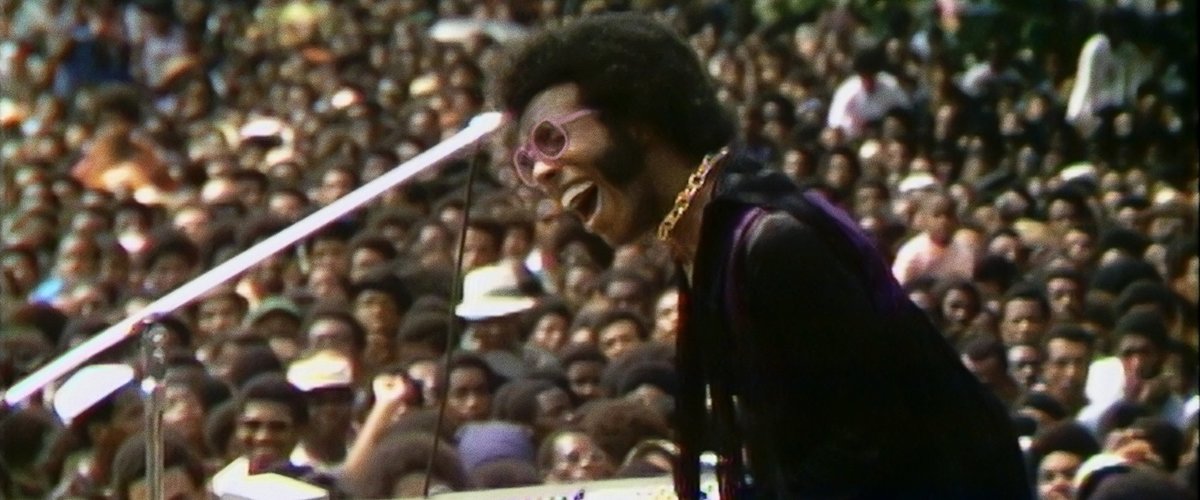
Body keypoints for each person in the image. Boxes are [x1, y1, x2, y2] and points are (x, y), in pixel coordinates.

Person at [498, 13, 1029, 499]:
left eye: (551, 139)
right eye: (527, 161)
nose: (542, 172)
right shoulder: (707, 237)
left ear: (637, 118)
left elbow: (872, 442)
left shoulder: (771, 242)